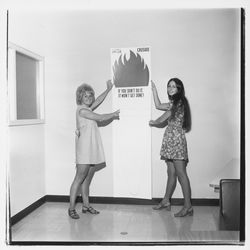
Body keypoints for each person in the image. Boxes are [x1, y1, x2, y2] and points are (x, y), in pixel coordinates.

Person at [68, 80, 120, 219]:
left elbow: (98, 100)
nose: (89, 98)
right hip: (84, 150)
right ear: (80, 97)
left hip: (91, 149)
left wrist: (108, 89)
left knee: (86, 180)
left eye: (90, 96)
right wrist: (113, 114)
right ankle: (71, 208)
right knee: (79, 179)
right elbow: (100, 118)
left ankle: (86, 206)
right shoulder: (82, 110)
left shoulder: (88, 108)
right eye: (86, 96)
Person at [149, 78, 193, 217]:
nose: (170, 88)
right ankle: (166, 200)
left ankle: (188, 206)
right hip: (169, 140)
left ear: (179, 88)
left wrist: (155, 121)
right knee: (171, 173)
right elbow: (157, 105)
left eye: (173, 86)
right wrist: (154, 90)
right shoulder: (173, 103)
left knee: (181, 174)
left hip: (177, 141)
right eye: (169, 86)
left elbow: (165, 116)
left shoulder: (180, 102)